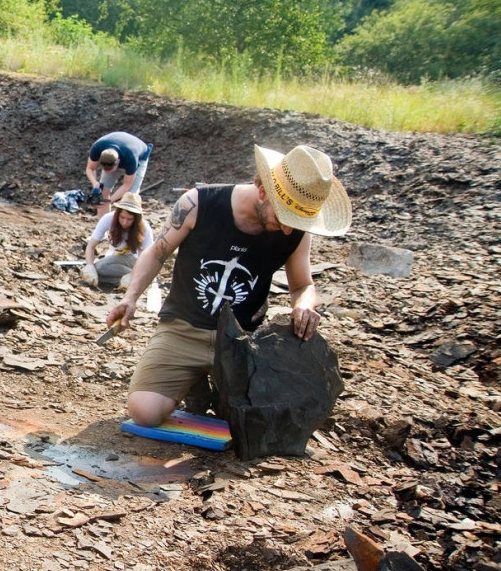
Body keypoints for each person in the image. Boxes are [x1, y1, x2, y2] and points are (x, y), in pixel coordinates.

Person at [106, 144, 351, 428]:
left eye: (295, 223)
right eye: (283, 218)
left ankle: (218, 386)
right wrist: (131, 297)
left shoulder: (295, 231)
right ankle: (193, 382)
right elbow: (157, 252)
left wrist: (304, 306)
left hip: (241, 339)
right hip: (184, 328)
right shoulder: (199, 203)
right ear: (262, 192)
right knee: (145, 413)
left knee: (253, 421)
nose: (287, 230)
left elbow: (302, 285)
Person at [81, 192, 154, 288]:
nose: (125, 222)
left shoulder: (144, 227)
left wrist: (136, 274)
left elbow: (148, 258)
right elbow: (91, 246)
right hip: (115, 259)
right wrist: (89, 266)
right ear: (117, 214)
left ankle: (136, 278)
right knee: (97, 269)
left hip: (136, 260)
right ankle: (129, 281)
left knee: (102, 268)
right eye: (122, 217)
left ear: (136, 219)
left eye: (129, 219)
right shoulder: (108, 219)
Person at [85, 132, 153, 209]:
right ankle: (103, 220)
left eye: (110, 169)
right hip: (116, 144)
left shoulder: (131, 158)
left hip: (140, 155)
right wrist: (95, 183)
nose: (108, 172)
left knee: (130, 197)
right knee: (104, 191)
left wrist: (110, 201)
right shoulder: (97, 148)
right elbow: (90, 168)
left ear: (118, 162)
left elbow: (127, 185)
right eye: (105, 169)